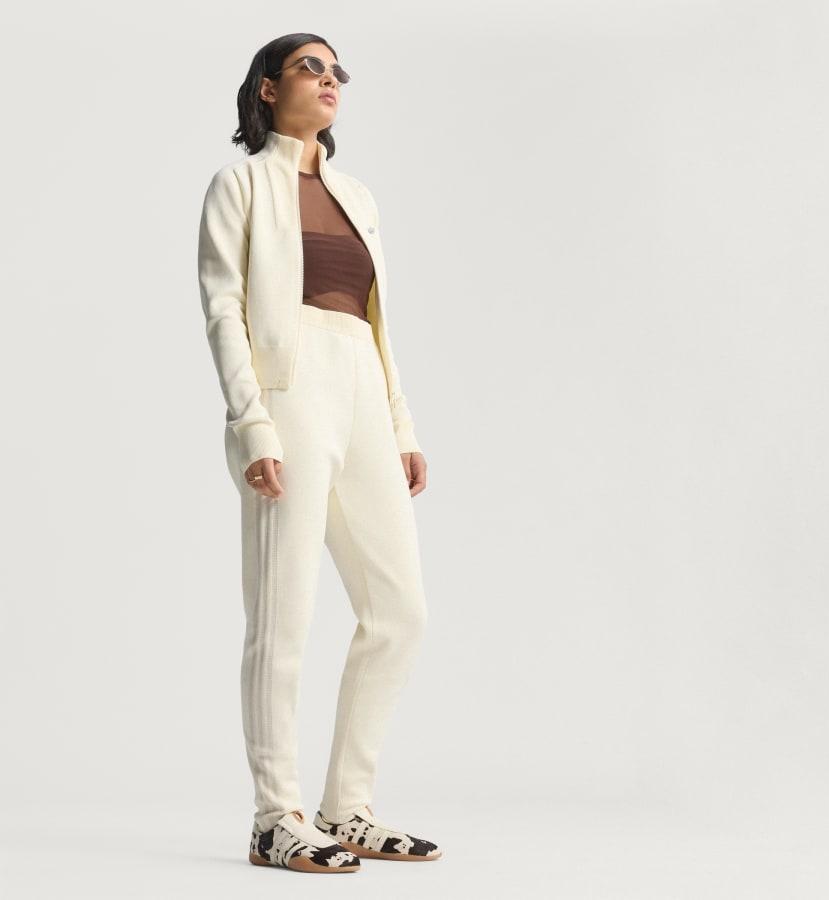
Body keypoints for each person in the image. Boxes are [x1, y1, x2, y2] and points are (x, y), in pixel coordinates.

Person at [197, 32, 441, 874]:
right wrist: (252, 424)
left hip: (361, 391)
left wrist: (400, 426)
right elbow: (224, 310)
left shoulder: (357, 195)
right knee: (285, 614)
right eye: (311, 67)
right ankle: (276, 818)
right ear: (267, 88)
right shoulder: (240, 184)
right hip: (288, 393)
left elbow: (376, 323)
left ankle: (348, 808)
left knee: (399, 611)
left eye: (338, 71)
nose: (330, 80)